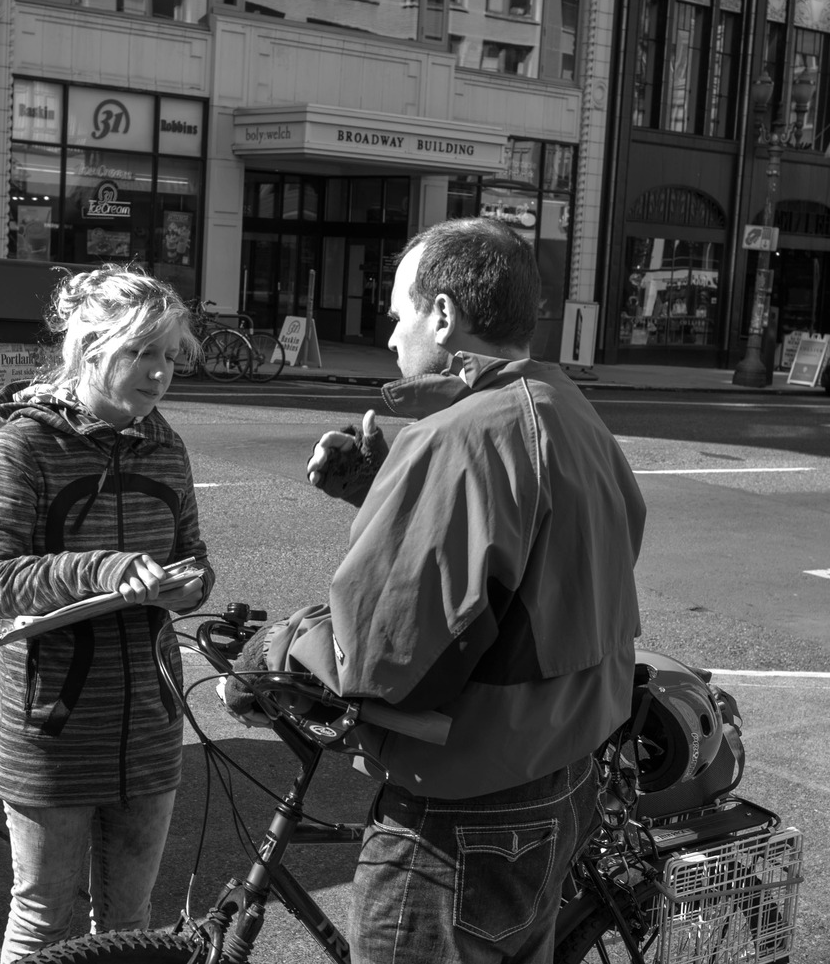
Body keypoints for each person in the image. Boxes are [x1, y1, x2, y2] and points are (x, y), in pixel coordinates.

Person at [222, 217, 645, 964]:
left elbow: (383, 656)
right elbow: (536, 565)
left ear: (443, 314)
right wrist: (390, 486)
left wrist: (268, 654)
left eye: (398, 315)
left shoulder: (457, 439)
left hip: (460, 815)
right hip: (560, 777)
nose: (391, 337)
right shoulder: (569, 410)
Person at [0, 264, 215, 963]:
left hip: (151, 729)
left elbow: (194, 557)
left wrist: (188, 585)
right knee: (43, 922)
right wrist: (101, 569)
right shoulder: (25, 444)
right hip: (56, 729)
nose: (159, 372)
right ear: (90, 348)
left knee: (131, 922)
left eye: (170, 356)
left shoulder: (166, 445)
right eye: (141, 351)